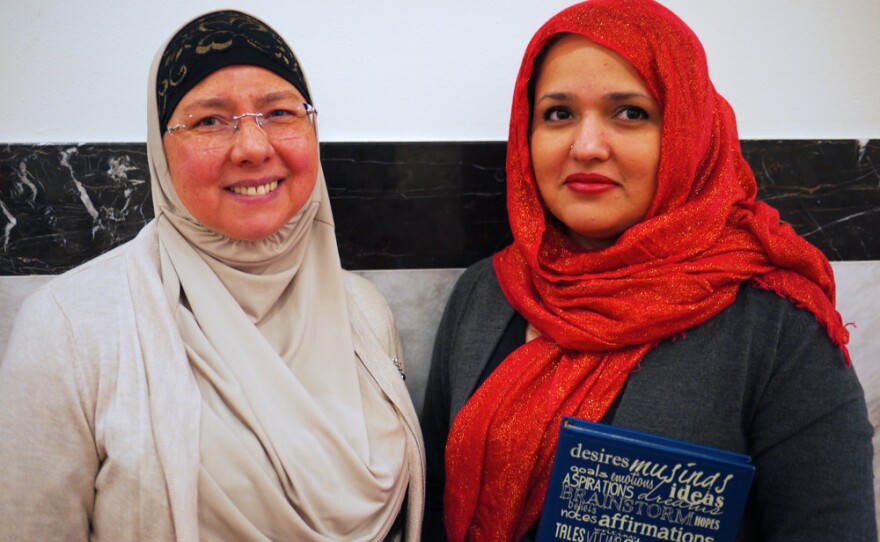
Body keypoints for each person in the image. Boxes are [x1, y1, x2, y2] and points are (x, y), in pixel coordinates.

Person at [421, 1, 876, 540]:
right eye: (559, 114)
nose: (587, 146)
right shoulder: (489, 291)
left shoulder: (779, 326)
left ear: (688, 131)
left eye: (630, 113)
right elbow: (433, 505)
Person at [0, 10, 424, 541]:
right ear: (160, 148)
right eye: (209, 121)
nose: (253, 147)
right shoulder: (69, 328)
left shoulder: (362, 311)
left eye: (280, 112)